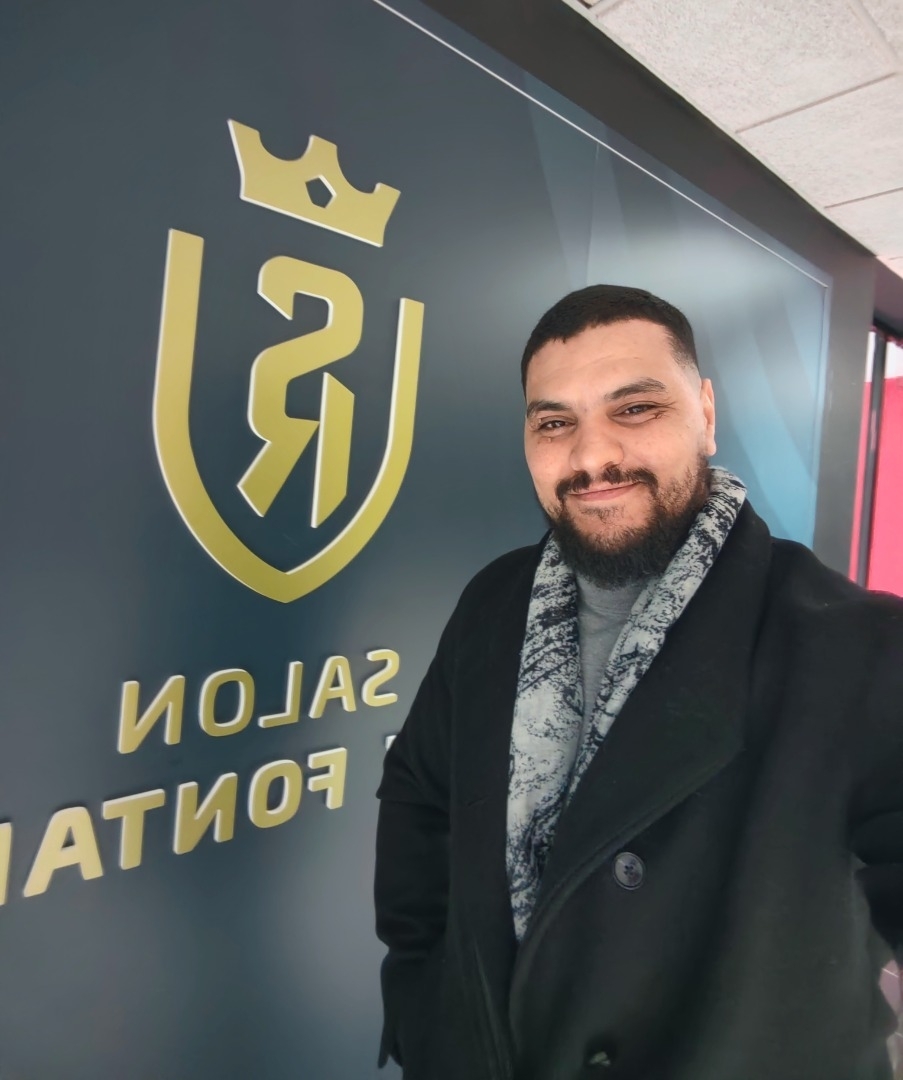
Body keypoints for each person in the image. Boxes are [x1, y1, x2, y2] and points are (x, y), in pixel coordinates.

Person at [374, 285, 903, 1080]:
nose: (592, 457)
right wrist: (422, 1002)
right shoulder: (493, 601)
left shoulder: (859, 644)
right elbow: (420, 796)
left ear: (705, 414)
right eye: (554, 423)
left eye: (634, 408)